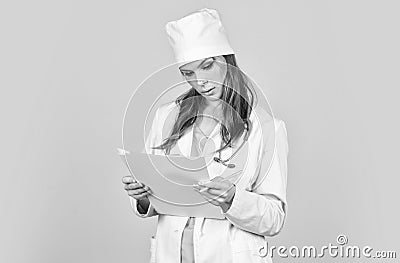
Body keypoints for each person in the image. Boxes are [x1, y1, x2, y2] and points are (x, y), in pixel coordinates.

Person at [122, 8, 289, 263]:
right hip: (172, 254)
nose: (201, 81)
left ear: (226, 60)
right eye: (188, 73)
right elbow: (159, 200)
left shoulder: (267, 129)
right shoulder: (166, 118)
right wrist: (144, 196)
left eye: (207, 66)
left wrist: (233, 199)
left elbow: (274, 219)